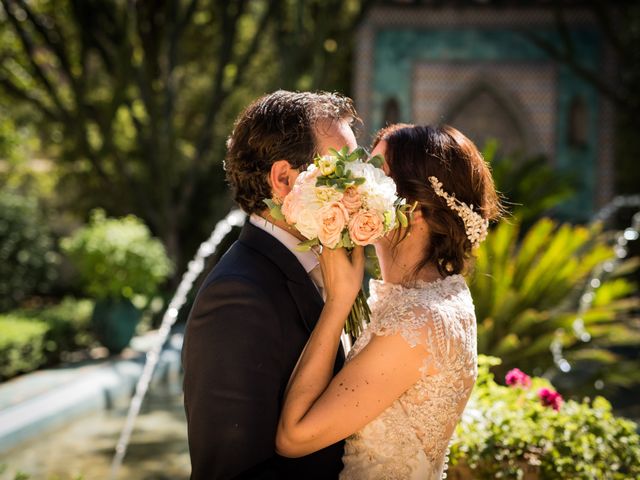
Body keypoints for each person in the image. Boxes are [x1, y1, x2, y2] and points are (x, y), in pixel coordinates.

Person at [276, 124, 502, 479]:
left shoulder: (419, 322)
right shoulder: (441, 295)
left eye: (372, 174)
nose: (353, 185)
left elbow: (293, 437)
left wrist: (339, 302)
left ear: (412, 207)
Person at [181, 90, 358, 479]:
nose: (358, 190)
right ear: (282, 178)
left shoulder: (327, 267)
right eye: (343, 172)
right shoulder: (237, 297)